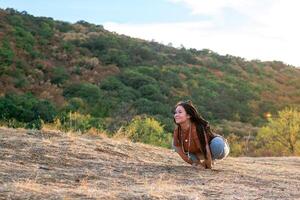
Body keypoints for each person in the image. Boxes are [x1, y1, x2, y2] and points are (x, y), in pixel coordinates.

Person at [172, 100, 229, 169]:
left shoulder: (197, 128)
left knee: (217, 143)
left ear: (188, 115)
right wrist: (194, 163)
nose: (176, 115)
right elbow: (179, 149)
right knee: (175, 144)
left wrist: (208, 166)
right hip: (199, 153)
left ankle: (210, 160)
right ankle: (200, 162)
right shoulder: (177, 131)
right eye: (175, 112)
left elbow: (206, 149)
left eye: (180, 112)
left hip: (218, 149)